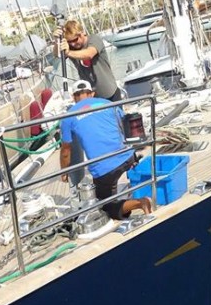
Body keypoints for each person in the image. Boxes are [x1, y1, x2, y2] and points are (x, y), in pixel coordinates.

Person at [59, 80, 151, 219]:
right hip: (127, 156)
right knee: (111, 187)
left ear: (74, 97)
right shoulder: (108, 103)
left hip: (104, 169)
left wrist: (64, 171)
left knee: (104, 207)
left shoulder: (68, 116)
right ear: (92, 93)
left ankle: (140, 203)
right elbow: (125, 124)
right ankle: (127, 206)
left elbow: (66, 150)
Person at [54, 19, 122, 101]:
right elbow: (57, 55)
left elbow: (89, 54)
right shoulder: (71, 47)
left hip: (109, 92)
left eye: (75, 40)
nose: (72, 44)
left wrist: (68, 52)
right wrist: (57, 41)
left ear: (82, 33)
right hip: (91, 96)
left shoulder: (94, 39)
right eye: (69, 42)